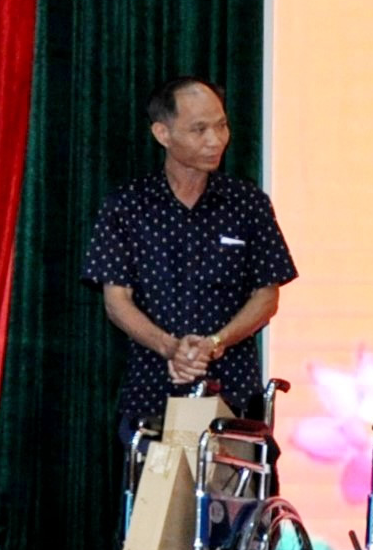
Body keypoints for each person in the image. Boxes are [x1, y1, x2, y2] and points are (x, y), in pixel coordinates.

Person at [79, 77, 297, 445]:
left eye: (221, 125)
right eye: (199, 129)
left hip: (233, 398)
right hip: (152, 395)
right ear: (163, 133)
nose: (215, 140)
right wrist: (170, 348)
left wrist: (215, 342)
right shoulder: (128, 205)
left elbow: (267, 296)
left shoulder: (248, 203)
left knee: (231, 501)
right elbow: (116, 301)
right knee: (153, 500)